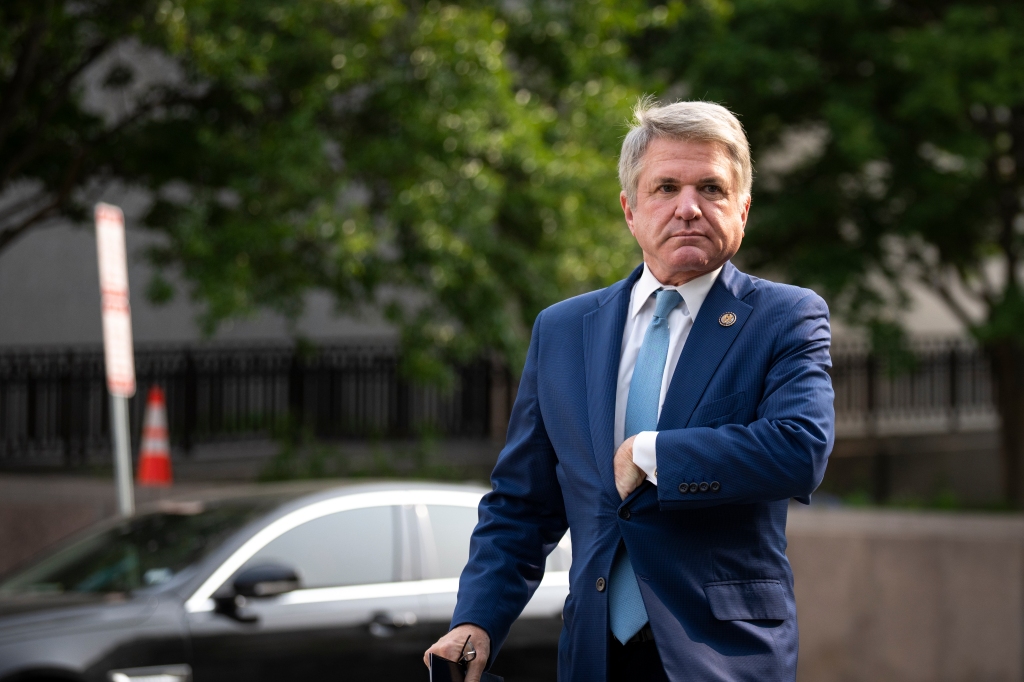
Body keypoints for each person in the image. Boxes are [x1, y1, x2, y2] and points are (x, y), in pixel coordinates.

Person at [424, 99, 835, 682]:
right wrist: (477, 621)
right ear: (630, 210)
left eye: (711, 189)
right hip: (595, 655)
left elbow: (800, 450)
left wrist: (649, 454)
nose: (687, 208)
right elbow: (522, 504)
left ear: (743, 208)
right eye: (665, 187)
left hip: (721, 657)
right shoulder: (563, 330)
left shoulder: (784, 317)